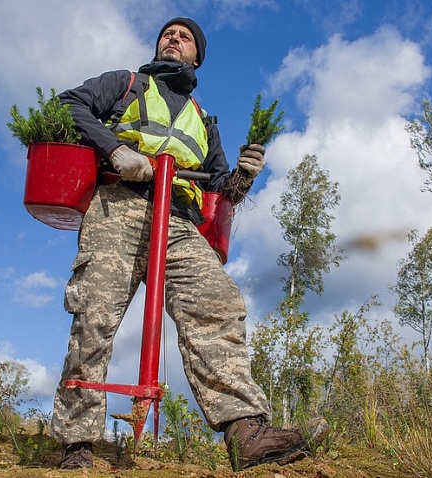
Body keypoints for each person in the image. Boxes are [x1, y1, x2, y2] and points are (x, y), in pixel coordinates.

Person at [50, 17, 314, 471]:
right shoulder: (126, 84)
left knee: (217, 302)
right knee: (95, 314)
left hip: (179, 221)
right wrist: (115, 150)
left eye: (185, 37)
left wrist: (245, 176)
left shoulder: (202, 120)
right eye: (168, 34)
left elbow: (221, 190)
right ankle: (78, 445)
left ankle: (246, 432)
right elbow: (68, 104)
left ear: (197, 57)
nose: (174, 39)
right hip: (121, 205)